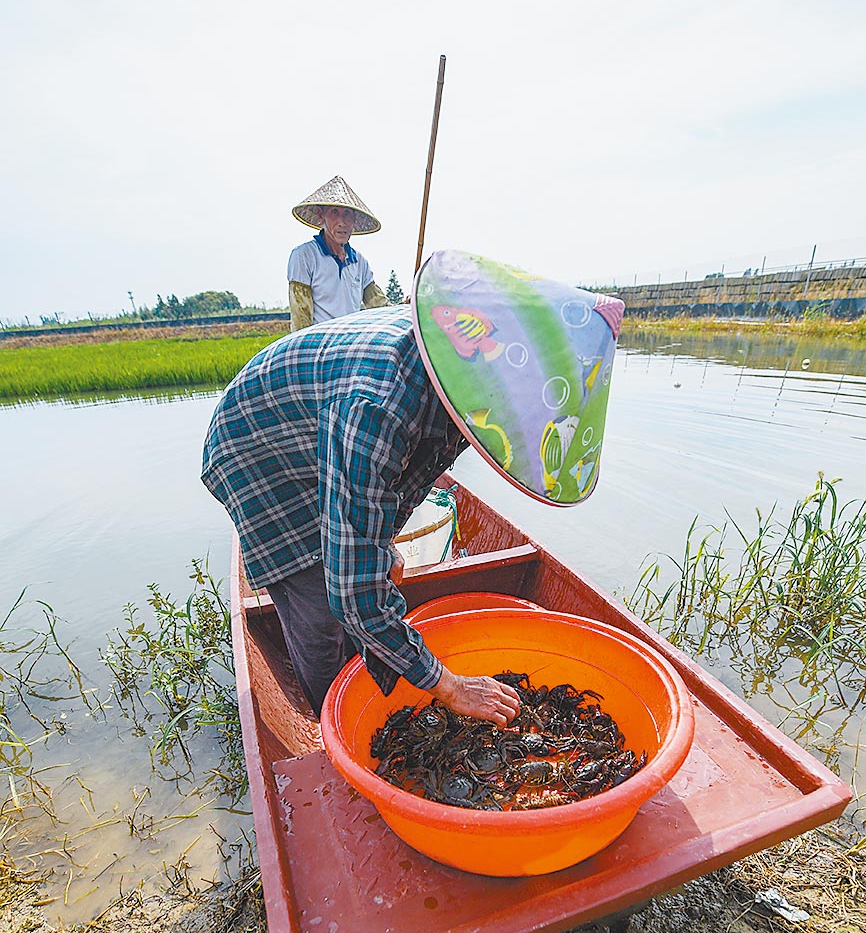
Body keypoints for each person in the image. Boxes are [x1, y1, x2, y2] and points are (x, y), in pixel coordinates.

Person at [202, 249, 623, 726]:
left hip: (323, 429)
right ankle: (334, 723)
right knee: (320, 605)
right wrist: (450, 685)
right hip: (258, 453)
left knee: (360, 568)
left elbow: (405, 479)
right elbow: (350, 590)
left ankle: (371, 668)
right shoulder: (381, 404)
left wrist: (376, 548)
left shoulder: (468, 391)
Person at [287, 174, 388, 332]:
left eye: (347, 214)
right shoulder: (304, 256)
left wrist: (406, 308)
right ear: (322, 216)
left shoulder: (359, 262)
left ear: (354, 219)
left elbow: (380, 306)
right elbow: (301, 318)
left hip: (349, 344)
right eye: (334, 213)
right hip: (319, 346)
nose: (342, 222)